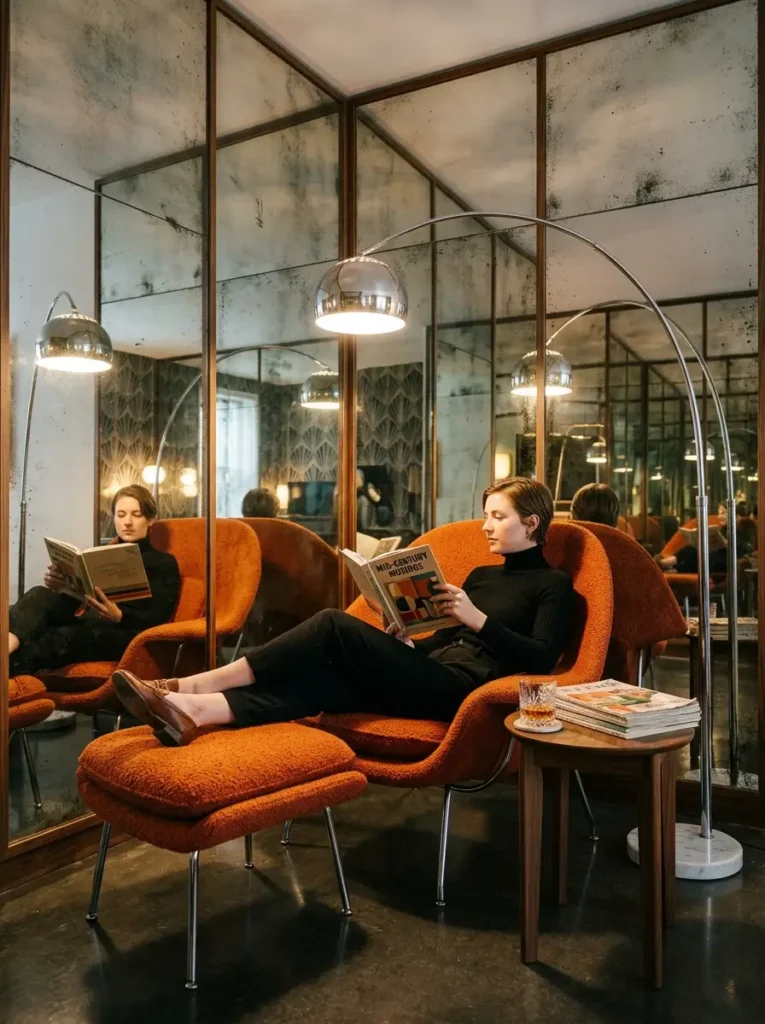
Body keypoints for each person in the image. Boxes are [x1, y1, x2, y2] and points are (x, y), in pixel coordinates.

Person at [114, 477, 574, 747]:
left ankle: (192, 684)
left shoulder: (552, 584)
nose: (486, 525)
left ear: (531, 523)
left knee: (332, 623)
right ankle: (195, 709)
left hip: (463, 693)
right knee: (321, 682)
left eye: (497, 517)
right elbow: (450, 641)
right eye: (486, 515)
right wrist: (410, 640)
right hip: (429, 672)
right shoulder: (481, 575)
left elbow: (539, 661)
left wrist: (477, 619)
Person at [8, 485, 180, 677]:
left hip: (126, 631)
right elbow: (83, 598)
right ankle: (7, 643)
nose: (128, 522)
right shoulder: (101, 555)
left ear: (150, 519)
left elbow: (159, 616)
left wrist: (121, 616)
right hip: (91, 615)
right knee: (38, 594)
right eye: (121, 514)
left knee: (64, 636)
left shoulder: (164, 562)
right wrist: (61, 585)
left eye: (136, 514)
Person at [657, 503, 756, 574]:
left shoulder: (743, 530)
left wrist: (727, 544)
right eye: (719, 513)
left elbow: (746, 549)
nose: (719, 516)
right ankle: (665, 565)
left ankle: (666, 566)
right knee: (690, 549)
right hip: (712, 557)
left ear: (736, 516)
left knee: (694, 555)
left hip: (724, 562)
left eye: (723, 513)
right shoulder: (723, 529)